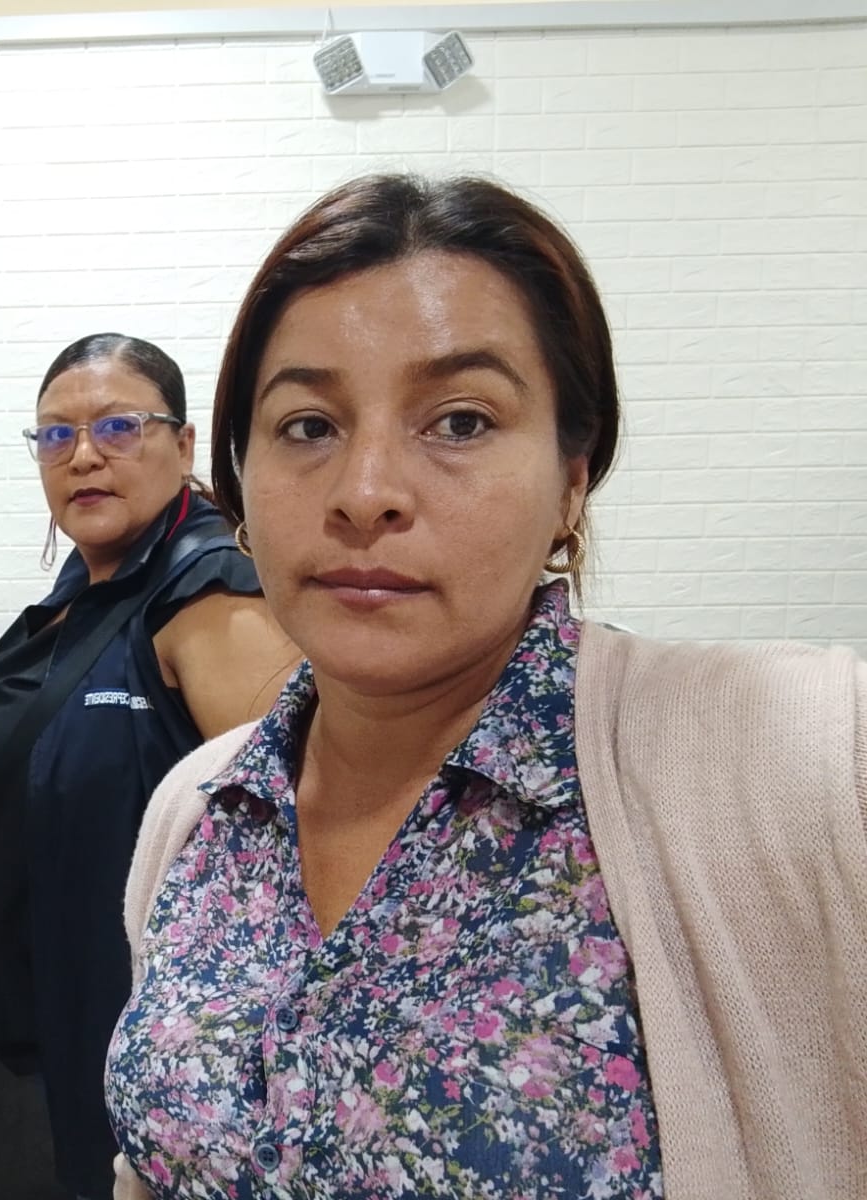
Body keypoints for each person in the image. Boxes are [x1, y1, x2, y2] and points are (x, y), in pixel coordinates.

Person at [106, 176, 867, 1199]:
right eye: (308, 426)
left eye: (460, 422)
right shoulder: (198, 811)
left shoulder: (798, 758)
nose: (365, 493)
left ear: (570, 480)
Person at [0, 333, 296, 1199]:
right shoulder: (88, 585)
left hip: (156, 1037)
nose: (83, 455)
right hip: (68, 1004)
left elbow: (293, 852)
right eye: (55, 435)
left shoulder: (210, 595)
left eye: (117, 426)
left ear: (183, 444)